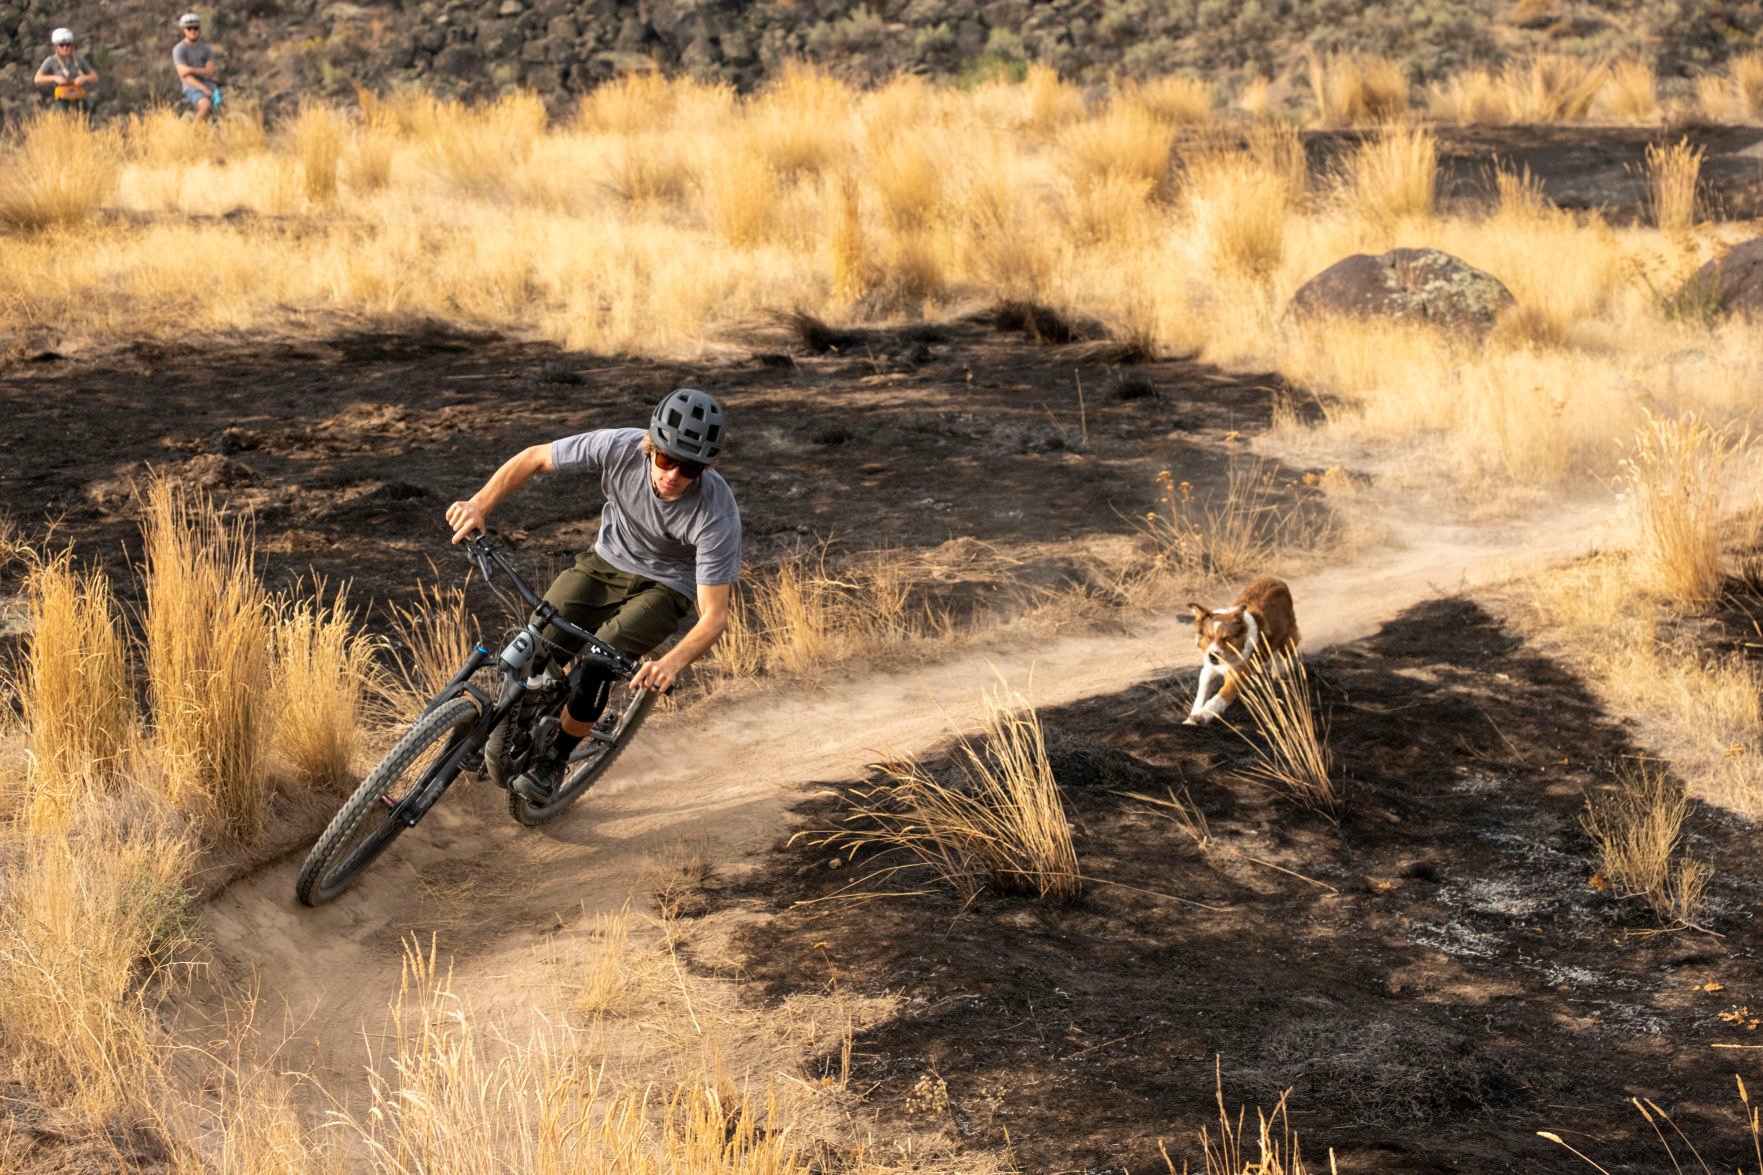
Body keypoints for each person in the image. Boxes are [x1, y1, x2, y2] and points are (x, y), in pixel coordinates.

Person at [445, 388, 741, 802]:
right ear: (649, 447)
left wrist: (671, 663)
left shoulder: (715, 513)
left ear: (706, 467)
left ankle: (556, 760)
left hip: (667, 586)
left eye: (689, 467)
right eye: (666, 459)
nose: (673, 475)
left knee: (597, 665)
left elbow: (714, 616)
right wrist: (479, 505)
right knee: (534, 643)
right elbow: (535, 457)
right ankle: (517, 724)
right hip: (605, 562)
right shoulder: (619, 447)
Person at [172, 12, 221, 123]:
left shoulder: (206, 48)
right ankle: (194, 134)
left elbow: (210, 71)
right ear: (184, 30)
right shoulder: (179, 49)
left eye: (196, 28)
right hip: (191, 87)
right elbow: (184, 75)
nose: (193, 31)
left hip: (210, 84)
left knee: (223, 107)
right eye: (189, 28)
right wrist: (202, 88)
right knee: (205, 105)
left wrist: (190, 69)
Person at [35, 28, 98, 111]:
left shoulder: (79, 60)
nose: (65, 48)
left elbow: (95, 77)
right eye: (61, 45)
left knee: (85, 120)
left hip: (79, 97)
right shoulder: (51, 61)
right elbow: (37, 79)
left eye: (68, 45)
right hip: (62, 99)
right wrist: (55, 78)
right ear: (56, 47)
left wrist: (84, 78)